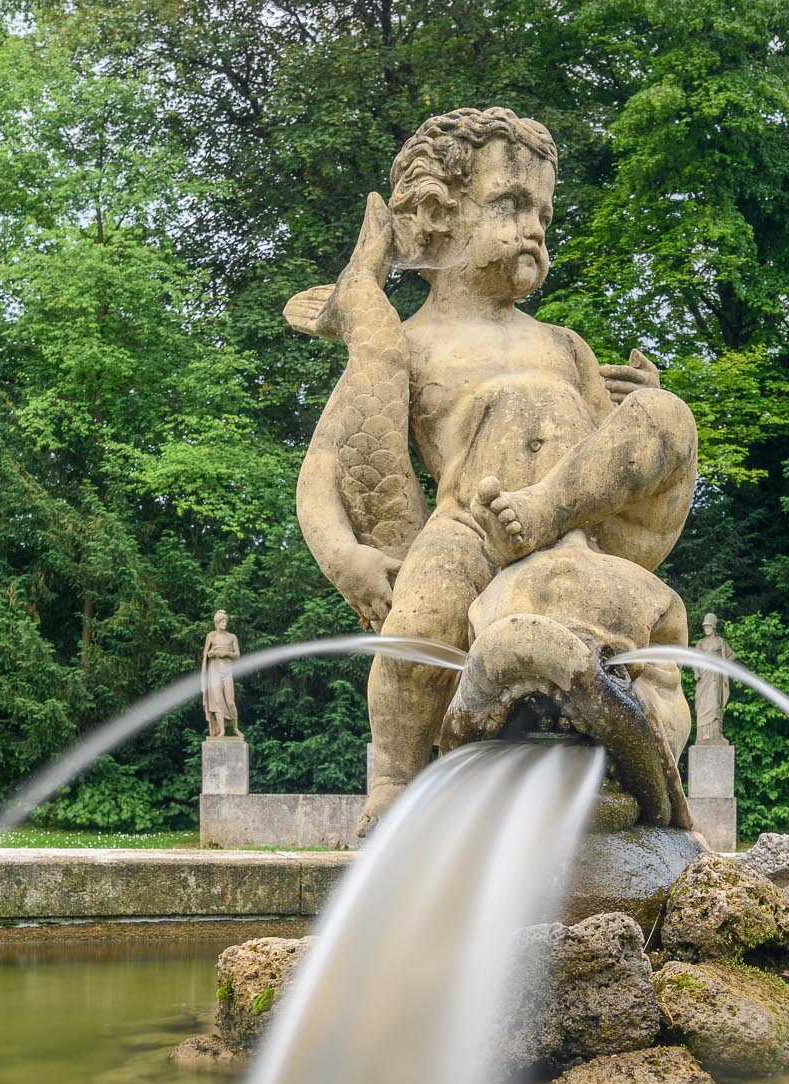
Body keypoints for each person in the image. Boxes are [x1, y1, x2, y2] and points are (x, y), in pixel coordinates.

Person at [292, 107, 699, 833]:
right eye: (511, 204)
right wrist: (345, 556)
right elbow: (324, 466)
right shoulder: (406, 346)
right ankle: (393, 778)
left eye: (543, 210)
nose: (535, 226)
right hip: (469, 527)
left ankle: (542, 514)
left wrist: (638, 415)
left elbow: (608, 448)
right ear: (437, 219)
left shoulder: (567, 346)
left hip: (577, 523)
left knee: (669, 414)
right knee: (415, 634)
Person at [692, 612, 735, 744]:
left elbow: (732, 655)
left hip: (716, 678)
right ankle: (702, 736)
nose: (706, 629)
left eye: (708, 626)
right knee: (703, 704)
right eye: (704, 627)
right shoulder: (700, 643)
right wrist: (696, 672)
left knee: (714, 704)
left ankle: (716, 735)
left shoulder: (721, 642)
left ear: (713, 627)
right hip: (703, 678)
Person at [200, 611, 241, 738]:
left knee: (230, 702)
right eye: (222, 621)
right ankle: (221, 730)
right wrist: (211, 654)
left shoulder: (232, 637)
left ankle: (235, 728)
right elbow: (205, 654)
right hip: (214, 669)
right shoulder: (211, 636)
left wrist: (226, 654)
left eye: (225, 621)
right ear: (217, 622)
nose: (225, 623)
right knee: (217, 701)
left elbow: (237, 655)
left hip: (227, 670)